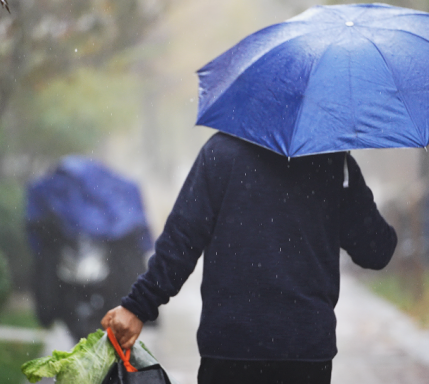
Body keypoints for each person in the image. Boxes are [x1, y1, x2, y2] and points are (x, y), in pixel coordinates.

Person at [102, 132, 397, 384]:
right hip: (304, 350)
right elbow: (377, 251)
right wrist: (347, 182)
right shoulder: (330, 158)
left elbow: (182, 241)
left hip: (231, 347)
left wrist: (138, 307)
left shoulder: (221, 152)